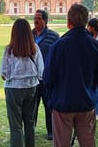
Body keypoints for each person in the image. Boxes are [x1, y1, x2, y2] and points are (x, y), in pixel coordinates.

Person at [43, 4, 98, 147]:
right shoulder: (95, 46)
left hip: (63, 102)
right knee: (88, 142)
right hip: (86, 102)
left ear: (68, 21)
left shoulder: (58, 46)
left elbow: (48, 78)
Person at [0, 19, 44, 147]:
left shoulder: (9, 50)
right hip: (31, 87)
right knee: (30, 123)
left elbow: (4, 73)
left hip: (13, 88)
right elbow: (41, 70)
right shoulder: (34, 48)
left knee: (16, 125)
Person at [32, 9, 59, 140]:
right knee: (32, 106)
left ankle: (51, 131)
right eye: (35, 18)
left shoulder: (53, 36)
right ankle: (31, 129)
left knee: (49, 105)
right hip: (32, 78)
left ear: (45, 20)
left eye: (39, 18)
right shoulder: (29, 35)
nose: (36, 20)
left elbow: (59, 57)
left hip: (47, 77)